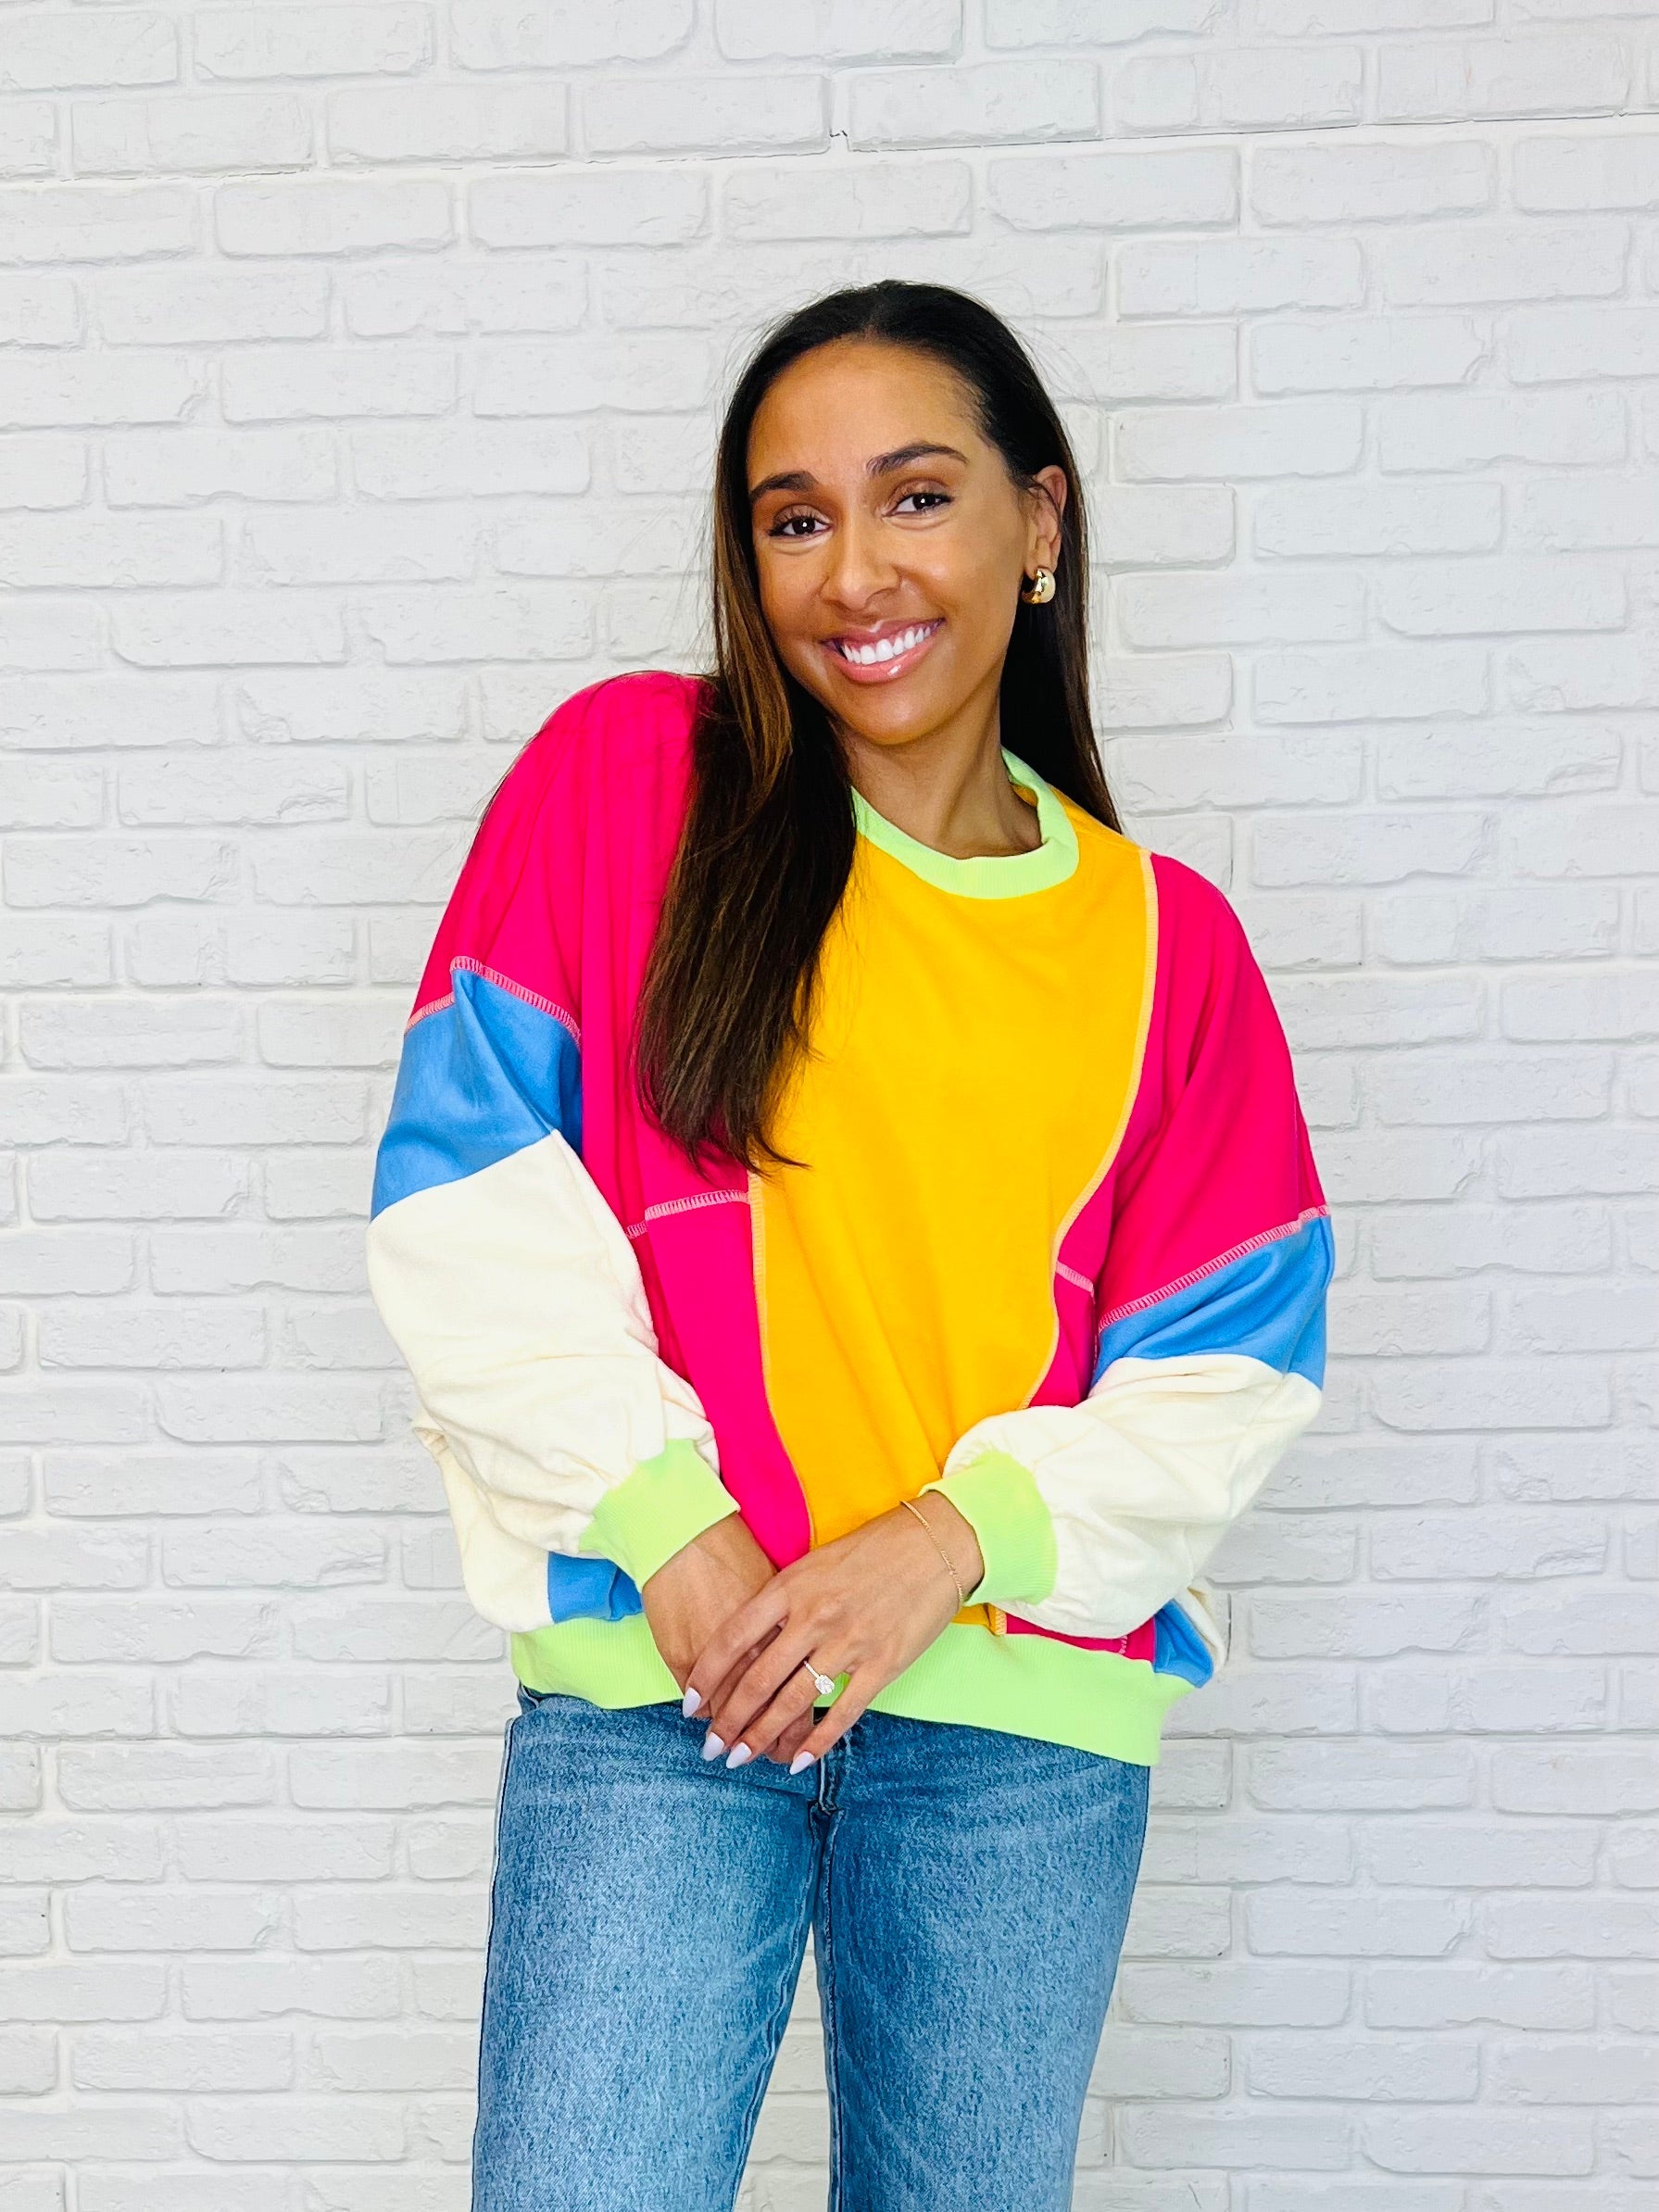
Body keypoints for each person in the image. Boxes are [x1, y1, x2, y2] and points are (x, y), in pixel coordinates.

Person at [364, 280, 1333, 2212]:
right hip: (670, 1683)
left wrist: (939, 1546)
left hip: (1014, 1729)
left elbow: (1230, 1369)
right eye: (793, 518)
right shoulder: (630, 783)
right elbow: (467, 1196)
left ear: (1038, 523)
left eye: (915, 496)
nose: (853, 571)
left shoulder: (1167, 946)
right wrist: (673, 1531)